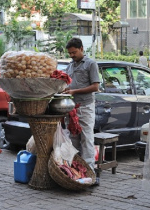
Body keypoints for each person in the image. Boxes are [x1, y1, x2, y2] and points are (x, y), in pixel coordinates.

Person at [63, 38, 101, 184]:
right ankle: (76, 172)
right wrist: (66, 90)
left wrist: (74, 91)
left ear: (81, 49)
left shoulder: (91, 64)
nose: (72, 55)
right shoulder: (70, 66)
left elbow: (95, 87)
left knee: (87, 140)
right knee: (73, 141)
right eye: (70, 53)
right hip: (72, 108)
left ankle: (90, 174)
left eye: (74, 52)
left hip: (85, 107)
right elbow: (68, 84)